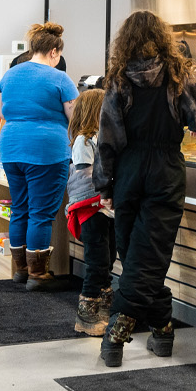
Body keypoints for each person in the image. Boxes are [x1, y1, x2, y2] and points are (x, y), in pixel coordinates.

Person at [91, 11, 196, 366]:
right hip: (166, 171)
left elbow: (107, 139)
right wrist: (192, 127)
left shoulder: (118, 80)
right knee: (146, 257)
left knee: (137, 255)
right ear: (162, 38)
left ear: (125, 41)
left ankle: (116, 333)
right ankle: (162, 327)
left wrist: (104, 185)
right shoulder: (179, 77)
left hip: (128, 173)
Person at [0, 22, 77, 289]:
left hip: (11, 148)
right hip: (46, 150)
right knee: (41, 213)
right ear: (54, 52)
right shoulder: (60, 78)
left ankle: (21, 270)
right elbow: (75, 118)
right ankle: (38, 274)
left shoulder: (10, 75)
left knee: (20, 208)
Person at [65, 89, 119, 336]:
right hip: (91, 210)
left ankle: (105, 306)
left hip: (106, 210)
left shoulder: (103, 138)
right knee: (97, 262)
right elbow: (85, 176)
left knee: (108, 258)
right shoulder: (84, 141)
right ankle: (86, 314)